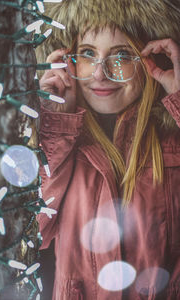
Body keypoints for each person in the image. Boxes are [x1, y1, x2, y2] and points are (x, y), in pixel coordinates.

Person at [36, 0, 180, 298]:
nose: (100, 73)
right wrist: (57, 124)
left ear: (155, 58)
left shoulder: (173, 137)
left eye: (122, 55)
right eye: (88, 53)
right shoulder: (59, 137)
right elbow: (32, 231)